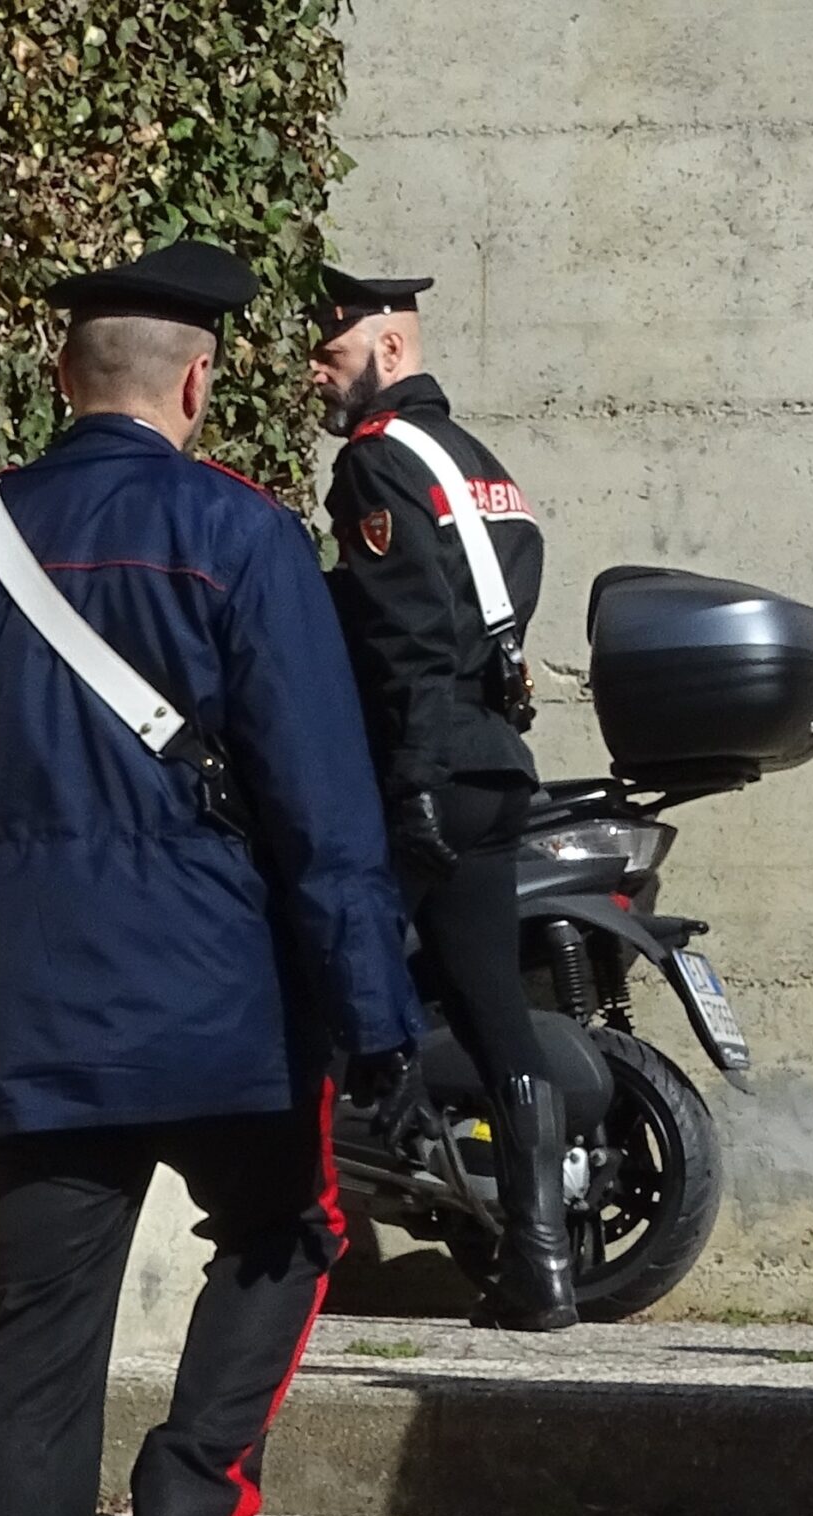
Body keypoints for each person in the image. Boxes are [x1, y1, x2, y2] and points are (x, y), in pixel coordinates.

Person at [0, 240, 429, 1516]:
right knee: (292, 1221)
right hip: (217, 1006)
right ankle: (184, 1505)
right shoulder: (240, 537)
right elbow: (324, 809)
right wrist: (372, 1016)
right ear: (194, 383)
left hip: (27, 1022)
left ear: (62, 381)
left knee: (31, 1365)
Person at [308, 267, 576, 1331]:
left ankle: (291, 1235)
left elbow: (408, 639)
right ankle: (543, 1264)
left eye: (330, 355)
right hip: (496, 763)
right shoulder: (479, 466)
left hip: (424, 770)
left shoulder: (375, 466)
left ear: (389, 350)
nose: (313, 375)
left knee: (325, 982)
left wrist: (409, 781)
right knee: (493, 1013)